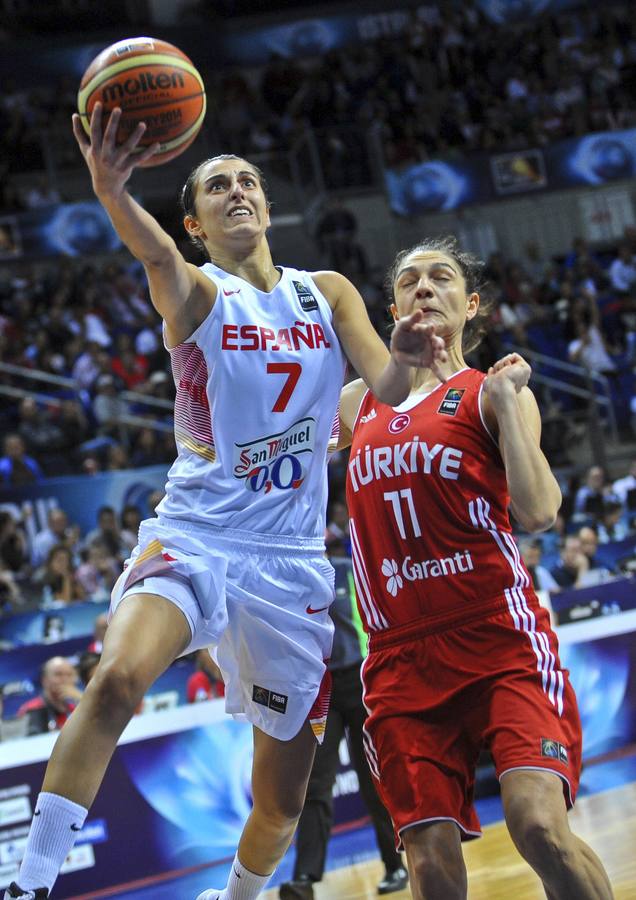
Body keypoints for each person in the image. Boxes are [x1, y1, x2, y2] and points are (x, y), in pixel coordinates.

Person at [5, 104, 445, 900]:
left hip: (290, 566)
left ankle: (238, 898)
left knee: (280, 802)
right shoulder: (197, 293)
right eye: (217, 185)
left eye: (248, 180)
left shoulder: (329, 292)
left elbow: (388, 387)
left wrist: (410, 356)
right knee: (114, 682)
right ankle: (28, 885)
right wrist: (111, 193)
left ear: (268, 207)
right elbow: (154, 254)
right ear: (196, 223)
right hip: (197, 534)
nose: (238, 189)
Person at [338, 236, 613, 899]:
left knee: (540, 828)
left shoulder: (490, 394)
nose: (424, 288)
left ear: (473, 305)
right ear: (392, 305)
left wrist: (511, 401)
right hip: (399, 657)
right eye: (408, 280)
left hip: (496, 637)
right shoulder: (355, 404)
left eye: (440, 278)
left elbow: (541, 510)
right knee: (428, 867)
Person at [279, 556, 407, 900]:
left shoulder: (349, 568)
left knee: (374, 778)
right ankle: (305, 877)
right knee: (316, 782)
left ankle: (395, 865)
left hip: (361, 679)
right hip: (320, 687)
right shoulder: (293, 577)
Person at [17, 657, 83, 737]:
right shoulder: (32, 709)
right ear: (44, 680)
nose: (65, 679)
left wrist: (81, 699)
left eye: (69, 675)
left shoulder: (78, 707)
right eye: (58, 674)